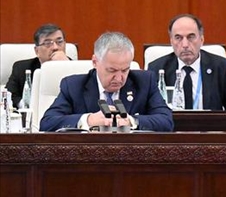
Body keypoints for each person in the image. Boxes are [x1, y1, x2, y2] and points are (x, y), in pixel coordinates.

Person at [40, 32, 173, 132]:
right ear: (95, 62)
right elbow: (47, 123)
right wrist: (88, 120)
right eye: (112, 70)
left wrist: (132, 121)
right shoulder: (74, 86)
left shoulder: (145, 82)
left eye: (125, 70)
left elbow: (167, 121)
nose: (119, 78)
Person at [147, 14, 226, 111]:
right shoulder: (156, 68)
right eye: (178, 38)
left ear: (201, 40)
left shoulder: (221, 67)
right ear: (171, 41)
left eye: (191, 37)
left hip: (210, 121)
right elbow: (148, 110)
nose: (185, 45)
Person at [5, 23, 71, 108]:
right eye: (48, 43)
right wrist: (28, 107)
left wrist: (67, 66)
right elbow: (9, 95)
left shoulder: (74, 68)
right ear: (37, 51)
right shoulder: (21, 68)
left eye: (59, 42)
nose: (55, 47)